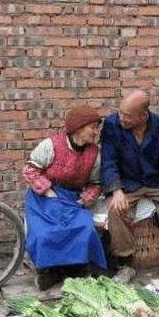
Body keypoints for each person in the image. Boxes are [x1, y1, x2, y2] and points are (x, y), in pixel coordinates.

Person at [100, 90, 159, 280]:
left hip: (157, 182)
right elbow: (108, 161)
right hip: (127, 183)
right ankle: (126, 264)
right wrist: (116, 190)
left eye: (127, 116)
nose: (121, 118)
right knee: (116, 210)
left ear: (143, 115)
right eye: (120, 112)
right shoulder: (111, 125)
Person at [22, 105, 107, 291]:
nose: (95, 132)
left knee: (85, 227)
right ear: (78, 128)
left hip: (72, 199)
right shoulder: (51, 145)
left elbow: (95, 183)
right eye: (92, 127)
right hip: (44, 196)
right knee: (44, 232)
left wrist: (86, 199)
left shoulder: (94, 153)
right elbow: (30, 171)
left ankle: (75, 268)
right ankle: (47, 271)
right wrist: (47, 192)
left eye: (96, 127)